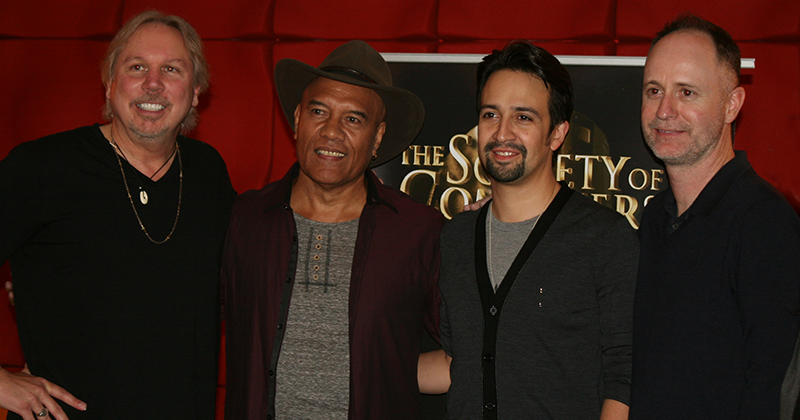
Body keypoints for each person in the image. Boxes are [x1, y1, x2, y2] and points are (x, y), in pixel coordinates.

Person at [0, 11, 235, 420]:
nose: (154, 83)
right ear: (110, 84)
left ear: (195, 92)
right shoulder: (41, 167)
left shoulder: (207, 171)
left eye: (172, 69)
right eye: (137, 66)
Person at [222, 40, 445, 420]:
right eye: (319, 111)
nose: (331, 132)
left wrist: (385, 371)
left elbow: (476, 349)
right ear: (297, 119)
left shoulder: (420, 232)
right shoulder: (242, 219)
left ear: (377, 137)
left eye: (354, 119)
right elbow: (178, 319)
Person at [419, 40, 638, 419]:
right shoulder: (457, 236)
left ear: (557, 134)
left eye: (523, 117)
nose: (502, 133)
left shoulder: (605, 238)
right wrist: (356, 362)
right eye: (491, 114)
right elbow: (458, 363)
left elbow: (624, 376)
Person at [629, 14, 800, 419]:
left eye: (687, 92)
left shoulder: (763, 223)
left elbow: (774, 390)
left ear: (731, 104)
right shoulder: (655, 217)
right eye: (654, 90)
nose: (664, 110)